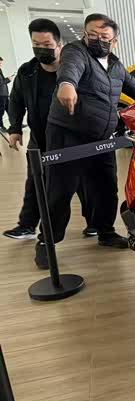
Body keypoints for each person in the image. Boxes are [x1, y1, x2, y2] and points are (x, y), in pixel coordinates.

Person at [35, 13, 135, 269]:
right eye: (92, 34)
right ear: (85, 35)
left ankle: (106, 232)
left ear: (115, 41)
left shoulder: (117, 66)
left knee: (106, 186)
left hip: (101, 137)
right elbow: (70, 69)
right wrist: (66, 84)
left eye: (104, 36)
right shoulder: (76, 52)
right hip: (68, 133)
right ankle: (46, 242)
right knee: (60, 189)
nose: (98, 40)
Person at [4, 19, 95, 241]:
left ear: (59, 44)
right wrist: (15, 128)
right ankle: (27, 225)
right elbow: (16, 100)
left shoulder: (74, 69)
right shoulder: (27, 71)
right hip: (41, 137)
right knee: (35, 182)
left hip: (73, 139)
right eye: (36, 44)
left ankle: (94, 224)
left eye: (46, 45)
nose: (41, 49)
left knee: (83, 183)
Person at [0, 57, 14, 132]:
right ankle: (1, 127)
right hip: (0, 95)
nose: (0, 64)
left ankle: (15, 125)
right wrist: (8, 79)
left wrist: (7, 79)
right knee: (1, 112)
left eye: (1, 63)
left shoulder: (0, 70)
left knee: (10, 110)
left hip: (4, 94)